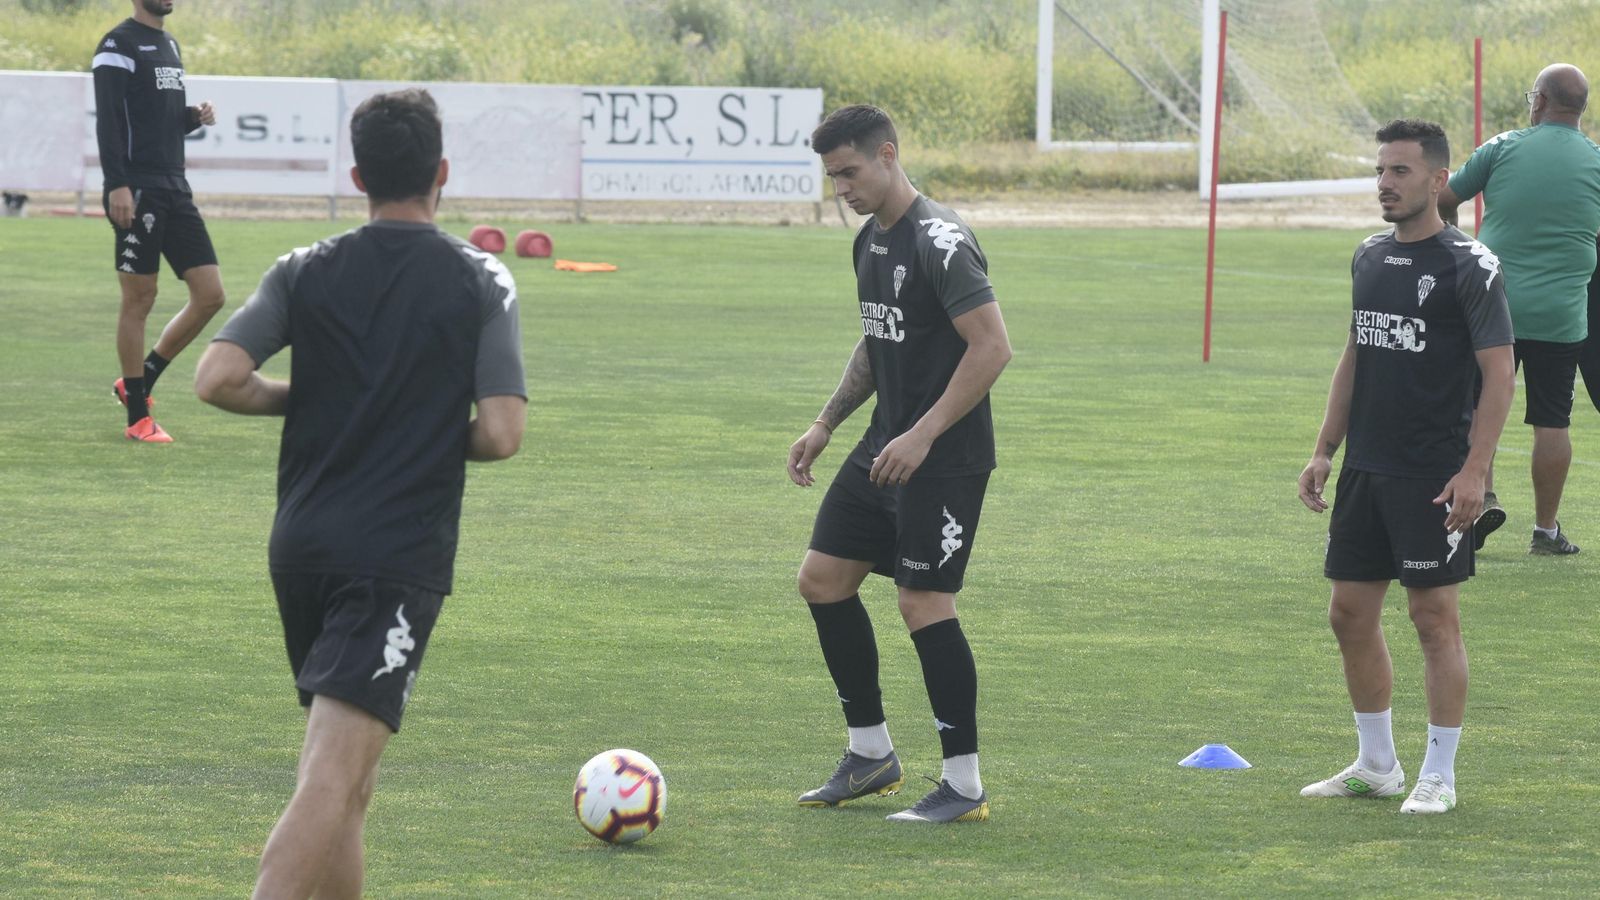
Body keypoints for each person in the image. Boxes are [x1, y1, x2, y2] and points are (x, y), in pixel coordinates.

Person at [193, 89, 527, 899]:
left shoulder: (303, 268)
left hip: (301, 548)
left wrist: (312, 400)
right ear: (441, 172)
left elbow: (217, 380)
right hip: (393, 560)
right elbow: (500, 434)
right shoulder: (479, 276)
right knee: (330, 778)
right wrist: (409, 423)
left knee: (353, 782)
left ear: (356, 175)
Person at [787, 105, 1012, 824]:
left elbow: (992, 347)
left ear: (888, 155)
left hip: (942, 458)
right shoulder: (869, 242)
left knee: (922, 604)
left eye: (850, 172)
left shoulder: (942, 242)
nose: (842, 189)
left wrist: (922, 435)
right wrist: (826, 422)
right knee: (823, 580)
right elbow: (876, 340)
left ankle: (965, 785)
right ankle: (870, 754)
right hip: (884, 444)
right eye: (832, 177)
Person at [1298, 119, 1515, 815]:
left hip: (1434, 473)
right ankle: (1377, 764)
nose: (1385, 184)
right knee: (1349, 612)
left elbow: (1500, 374)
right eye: (1381, 171)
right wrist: (1325, 448)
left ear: (1437, 180)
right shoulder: (1367, 257)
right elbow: (1356, 354)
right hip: (1367, 467)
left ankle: (1439, 775)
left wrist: (1476, 470)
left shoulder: (1470, 265)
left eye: (1400, 171)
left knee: (1432, 618)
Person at [1438, 64, 1600, 554]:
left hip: (1493, 305)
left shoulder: (1503, 146)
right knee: (1553, 421)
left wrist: (1458, 242)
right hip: (1562, 313)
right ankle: (1546, 531)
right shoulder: (1596, 159)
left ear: (1541, 101)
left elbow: (1445, 198)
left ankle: (1477, 500)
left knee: (1473, 407)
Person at [94, 0, 225, 442]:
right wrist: (117, 184)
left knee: (210, 295)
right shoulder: (117, 44)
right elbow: (110, 122)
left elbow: (158, 121)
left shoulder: (169, 44)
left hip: (174, 187)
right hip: (138, 188)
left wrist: (193, 118)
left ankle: (139, 381)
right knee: (140, 299)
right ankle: (137, 418)